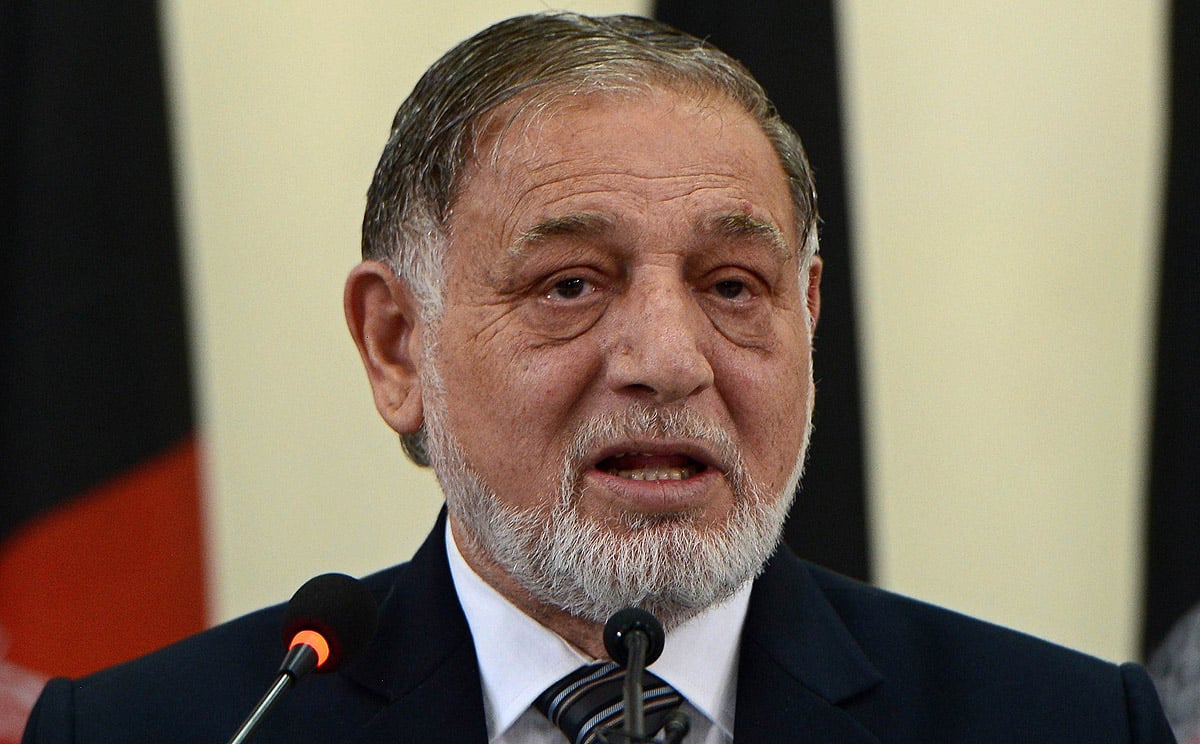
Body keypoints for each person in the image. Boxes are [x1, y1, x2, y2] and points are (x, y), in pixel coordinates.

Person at [21, 12, 1175, 744]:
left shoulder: (1062, 721)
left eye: (733, 286)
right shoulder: (179, 728)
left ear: (807, 323)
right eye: (571, 284)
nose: (669, 361)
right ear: (395, 344)